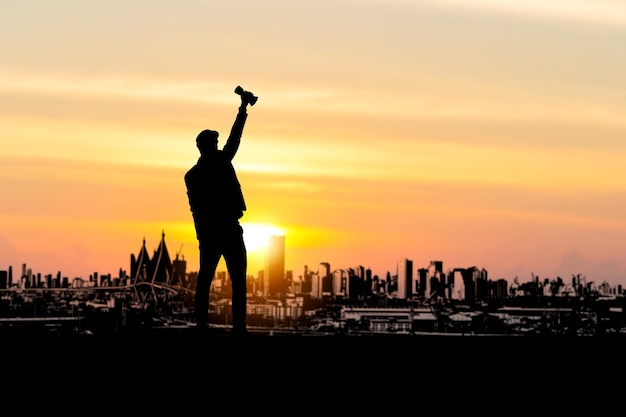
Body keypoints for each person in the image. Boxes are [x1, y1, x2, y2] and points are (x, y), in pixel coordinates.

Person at [184, 90, 253, 336]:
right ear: (204, 147)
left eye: (216, 143)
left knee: (209, 282)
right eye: (212, 143)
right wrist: (242, 109)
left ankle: (211, 326)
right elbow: (234, 139)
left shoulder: (193, 174)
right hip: (224, 231)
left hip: (217, 232)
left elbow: (196, 210)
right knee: (218, 282)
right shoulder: (219, 163)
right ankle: (236, 328)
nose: (216, 146)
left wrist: (243, 109)